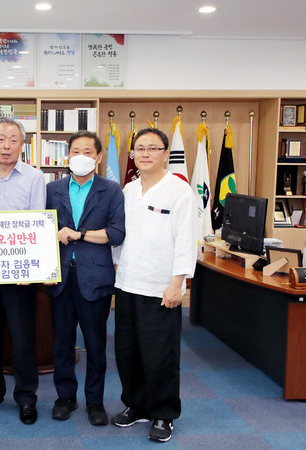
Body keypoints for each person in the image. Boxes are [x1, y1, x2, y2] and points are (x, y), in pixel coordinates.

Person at [112, 128, 197, 442]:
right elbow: (119, 238)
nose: (145, 154)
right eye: (139, 149)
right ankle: (136, 405)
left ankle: (163, 413)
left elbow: (187, 242)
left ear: (165, 154)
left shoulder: (180, 192)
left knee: (159, 354)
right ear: (132, 154)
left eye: (152, 148)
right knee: (127, 350)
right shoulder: (127, 190)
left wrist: (178, 283)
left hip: (161, 288)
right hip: (127, 284)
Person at [0, 116, 46, 424]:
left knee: (23, 337)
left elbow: (40, 222)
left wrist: (33, 269)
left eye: (13, 140)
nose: (6, 145)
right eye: (1, 139)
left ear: (22, 144)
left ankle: (27, 397)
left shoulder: (34, 177)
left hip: (20, 275)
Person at [46, 131, 125, 426]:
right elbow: (41, 230)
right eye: (76, 151)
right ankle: (65, 397)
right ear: (67, 156)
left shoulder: (111, 190)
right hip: (60, 278)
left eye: (88, 152)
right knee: (62, 343)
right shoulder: (52, 188)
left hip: (95, 279)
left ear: (99, 157)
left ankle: (95, 401)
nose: (81, 156)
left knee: (95, 344)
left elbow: (116, 234)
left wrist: (79, 235)